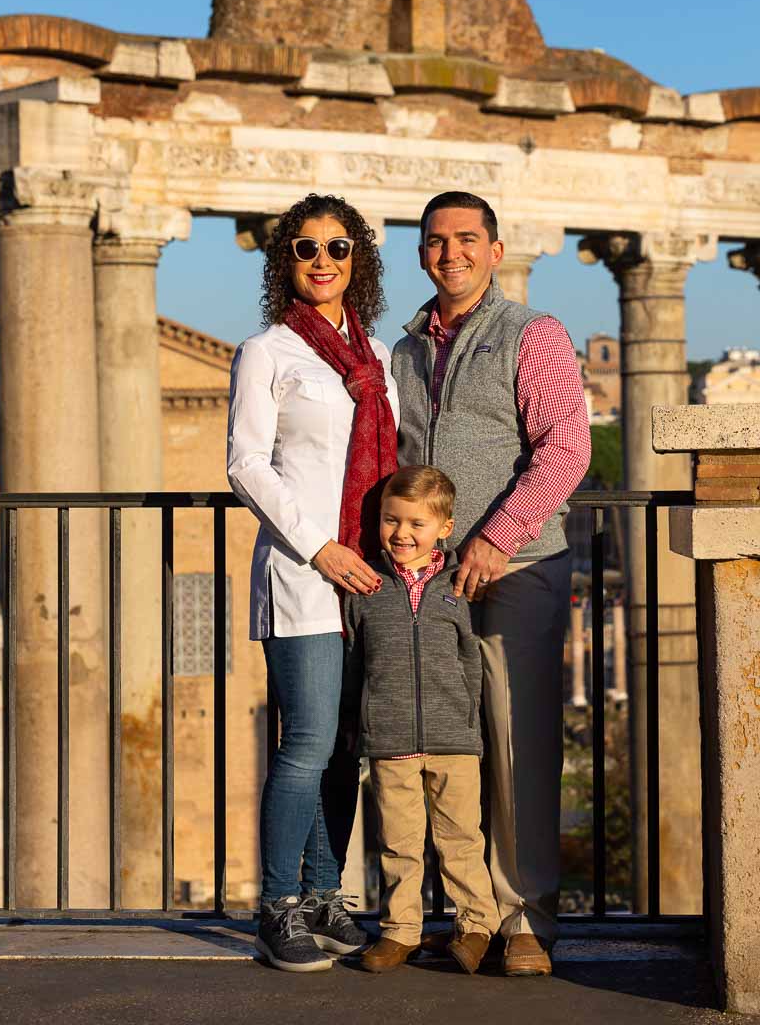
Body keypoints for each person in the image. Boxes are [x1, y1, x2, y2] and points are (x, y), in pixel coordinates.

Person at [392, 190, 591, 976]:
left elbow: (566, 450)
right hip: (428, 580)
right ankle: (470, 913)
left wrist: (495, 539)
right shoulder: (405, 351)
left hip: (521, 568)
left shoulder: (531, 334)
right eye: (437, 240)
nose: (452, 253)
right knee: (442, 752)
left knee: (519, 746)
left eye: (467, 239)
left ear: (496, 251)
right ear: (422, 254)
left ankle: (527, 921)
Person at [227, 193, 399, 973]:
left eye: (337, 247)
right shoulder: (266, 351)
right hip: (305, 570)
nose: (322, 261)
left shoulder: (378, 356)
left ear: (357, 259)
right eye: (305, 249)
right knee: (306, 743)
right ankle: (276, 905)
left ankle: (329, 898)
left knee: (347, 749)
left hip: (374, 572)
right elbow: (245, 464)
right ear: (284, 261)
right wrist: (318, 545)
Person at [343, 465, 500, 976]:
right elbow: (354, 662)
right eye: (392, 521)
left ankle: (477, 926)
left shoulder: (457, 589)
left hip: (454, 738)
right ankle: (399, 931)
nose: (402, 534)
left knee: (460, 840)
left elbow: (469, 663)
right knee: (398, 842)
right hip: (389, 740)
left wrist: (467, 721)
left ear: (444, 528)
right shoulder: (366, 589)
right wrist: (359, 724)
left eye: (416, 524)